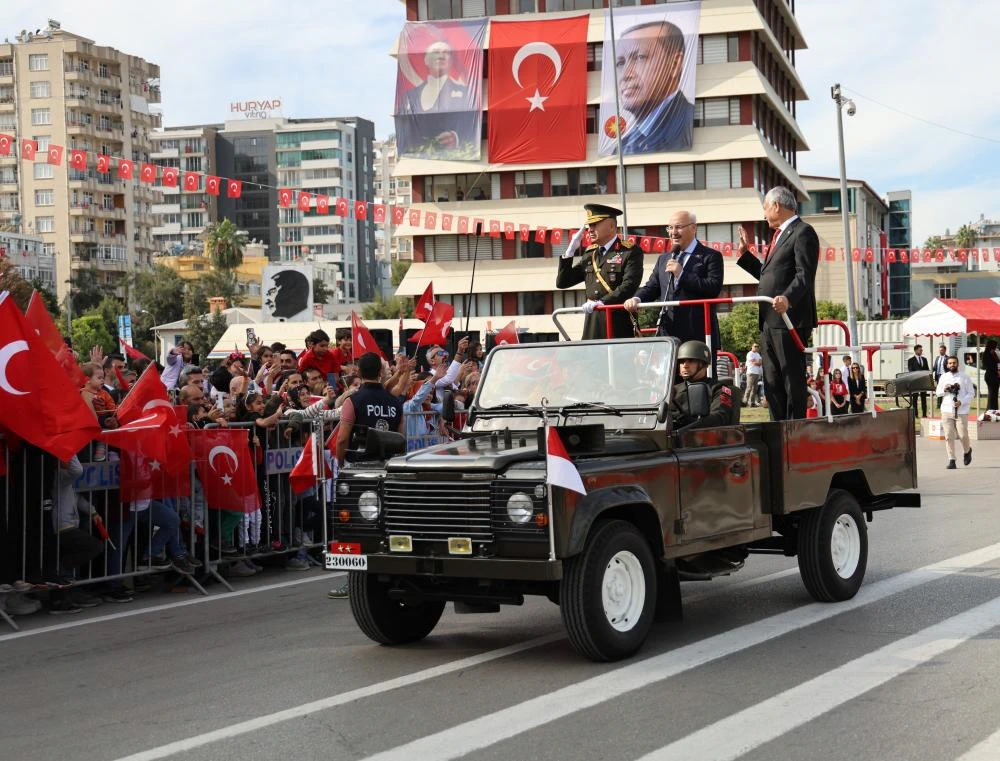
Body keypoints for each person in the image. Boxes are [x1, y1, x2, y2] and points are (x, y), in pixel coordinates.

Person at [736, 186, 819, 421]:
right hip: (769, 320)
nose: (764, 215)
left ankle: (794, 430)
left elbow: (805, 275)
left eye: (765, 208)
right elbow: (769, 276)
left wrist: (788, 298)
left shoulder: (803, 232)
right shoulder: (779, 235)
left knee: (791, 379)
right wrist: (745, 255)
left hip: (789, 319)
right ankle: (777, 428)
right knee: (772, 380)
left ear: (776, 205)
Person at [624, 210, 723, 350]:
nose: (673, 232)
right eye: (670, 228)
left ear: (693, 228)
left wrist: (682, 274)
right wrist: (636, 299)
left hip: (698, 332)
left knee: (702, 373)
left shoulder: (711, 256)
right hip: (668, 332)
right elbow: (652, 287)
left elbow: (713, 288)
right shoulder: (664, 258)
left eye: (678, 227)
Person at [556, 203, 643, 340]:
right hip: (593, 320)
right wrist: (569, 251)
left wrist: (603, 302)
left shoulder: (629, 251)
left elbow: (630, 285)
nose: (590, 230)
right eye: (589, 226)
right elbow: (563, 282)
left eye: (595, 224)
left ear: (611, 226)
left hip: (618, 319)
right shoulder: (590, 253)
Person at [614, 20, 694, 154]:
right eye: (620, 63)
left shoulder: (688, 126)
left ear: (674, 64)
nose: (625, 75)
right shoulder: (622, 147)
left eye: (640, 57)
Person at [668, 340, 739, 430]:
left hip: (705, 438)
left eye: (691, 361)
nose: (685, 365)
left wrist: (692, 421)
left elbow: (719, 418)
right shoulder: (673, 390)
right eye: (682, 362)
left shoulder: (718, 389)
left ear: (704, 364)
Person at [936, 355, 974, 469]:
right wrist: (944, 389)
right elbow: (937, 392)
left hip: (961, 411)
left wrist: (961, 402)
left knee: (963, 435)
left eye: (954, 363)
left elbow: (971, 393)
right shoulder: (943, 377)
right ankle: (952, 459)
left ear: (958, 364)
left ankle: (967, 451)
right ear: (947, 365)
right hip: (946, 410)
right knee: (948, 436)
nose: (952, 365)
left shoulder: (964, 377)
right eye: (950, 363)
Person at [907, 344, 930, 418]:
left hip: (923, 382)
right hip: (915, 382)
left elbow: (927, 370)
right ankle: (915, 414)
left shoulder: (924, 359)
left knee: (924, 398)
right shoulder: (911, 360)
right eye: (920, 350)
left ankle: (924, 414)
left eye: (922, 350)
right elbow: (911, 371)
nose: (921, 351)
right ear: (916, 350)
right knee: (915, 399)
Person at [743, 342, 763, 407]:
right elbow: (754, 362)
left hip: (756, 373)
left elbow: (760, 362)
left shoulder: (758, 354)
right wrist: (757, 362)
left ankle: (752, 403)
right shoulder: (749, 354)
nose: (756, 347)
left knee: (755, 389)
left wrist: (757, 362)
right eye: (755, 346)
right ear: (752, 347)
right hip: (750, 373)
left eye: (757, 346)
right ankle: (744, 402)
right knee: (749, 388)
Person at [983, 339, 999, 411]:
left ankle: (994, 409)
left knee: (994, 394)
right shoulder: (986, 354)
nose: (995, 348)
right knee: (992, 394)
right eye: (994, 346)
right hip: (990, 376)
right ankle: (990, 410)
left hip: (996, 376)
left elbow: (998, 362)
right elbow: (988, 365)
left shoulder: (994, 354)